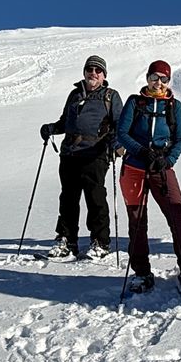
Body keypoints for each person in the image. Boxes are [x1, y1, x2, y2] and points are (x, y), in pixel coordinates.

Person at [116, 60, 181, 294]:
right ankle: (142, 273)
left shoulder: (174, 106)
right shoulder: (135, 102)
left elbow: (180, 139)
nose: (159, 83)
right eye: (154, 77)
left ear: (169, 81)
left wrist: (168, 160)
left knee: (177, 215)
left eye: (164, 79)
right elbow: (121, 133)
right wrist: (141, 151)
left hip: (162, 169)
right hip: (134, 168)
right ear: (147, 78)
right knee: (137, 220)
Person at [40, 55, 124, 259]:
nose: (93, 73)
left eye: (97, 70)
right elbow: (65, 122)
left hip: (95, 154)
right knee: (68, 199)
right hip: (69, 153)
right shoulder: (74, 95)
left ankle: (100, 242)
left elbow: (120, 124)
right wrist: (51, 128)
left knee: (95, 198)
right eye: (89, 69)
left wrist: (116, 145)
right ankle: (67, 241)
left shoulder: (110, 96)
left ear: (104, 75)